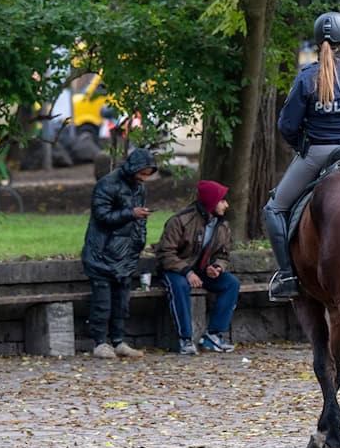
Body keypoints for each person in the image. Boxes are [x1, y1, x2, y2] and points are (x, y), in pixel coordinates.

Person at [266, 11, 340, 301]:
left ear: (319, 40)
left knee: (274, 209)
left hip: (318, 153)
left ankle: (286, 276)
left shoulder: (307, 76)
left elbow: (287, 124)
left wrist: (302, 145)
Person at [81, 147, 157, 359]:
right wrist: (130, 214)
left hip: (125, 253)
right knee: (102, 301)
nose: (144, 178)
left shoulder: (139, 188)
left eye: (147, 175)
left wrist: (139, 240)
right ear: (134, 169)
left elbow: (138, 218)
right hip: (102, 251)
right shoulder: (107, 184)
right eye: (142, 173)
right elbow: (102, 215)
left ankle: (118, 340)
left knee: (122, 301)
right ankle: (99, 342)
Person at [156, 180, 241, 355]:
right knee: (179, 286)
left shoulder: (222, 225)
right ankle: (185, 339)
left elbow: (224, 254)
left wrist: (216, 266)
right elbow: (166, 253)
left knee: (231, 283)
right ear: (211, 202)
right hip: (176, 269)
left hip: (202, 270)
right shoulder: (180, 221)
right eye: (222, 200)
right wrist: (187, 272)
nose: (226, 205)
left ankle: (213, 334)